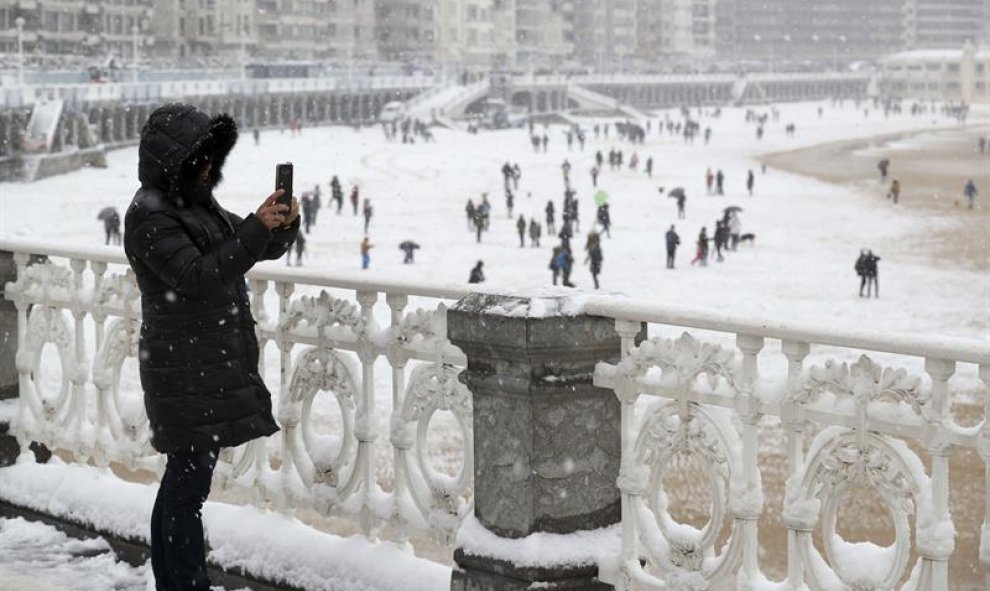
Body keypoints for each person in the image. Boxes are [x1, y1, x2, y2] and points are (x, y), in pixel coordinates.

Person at [124, 104, 299, 591]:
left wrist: (278, 227)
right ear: (173, 160)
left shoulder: (193, 203)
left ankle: (177, 581)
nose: (207, 168)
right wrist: (256, 231)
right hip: (182, 368)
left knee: (186, 483)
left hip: (201, 361)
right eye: (199, 158)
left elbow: (241, 247)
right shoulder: (149, 215)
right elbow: (197, 277)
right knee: (187, 487)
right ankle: (183, 582)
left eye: (210, 158)